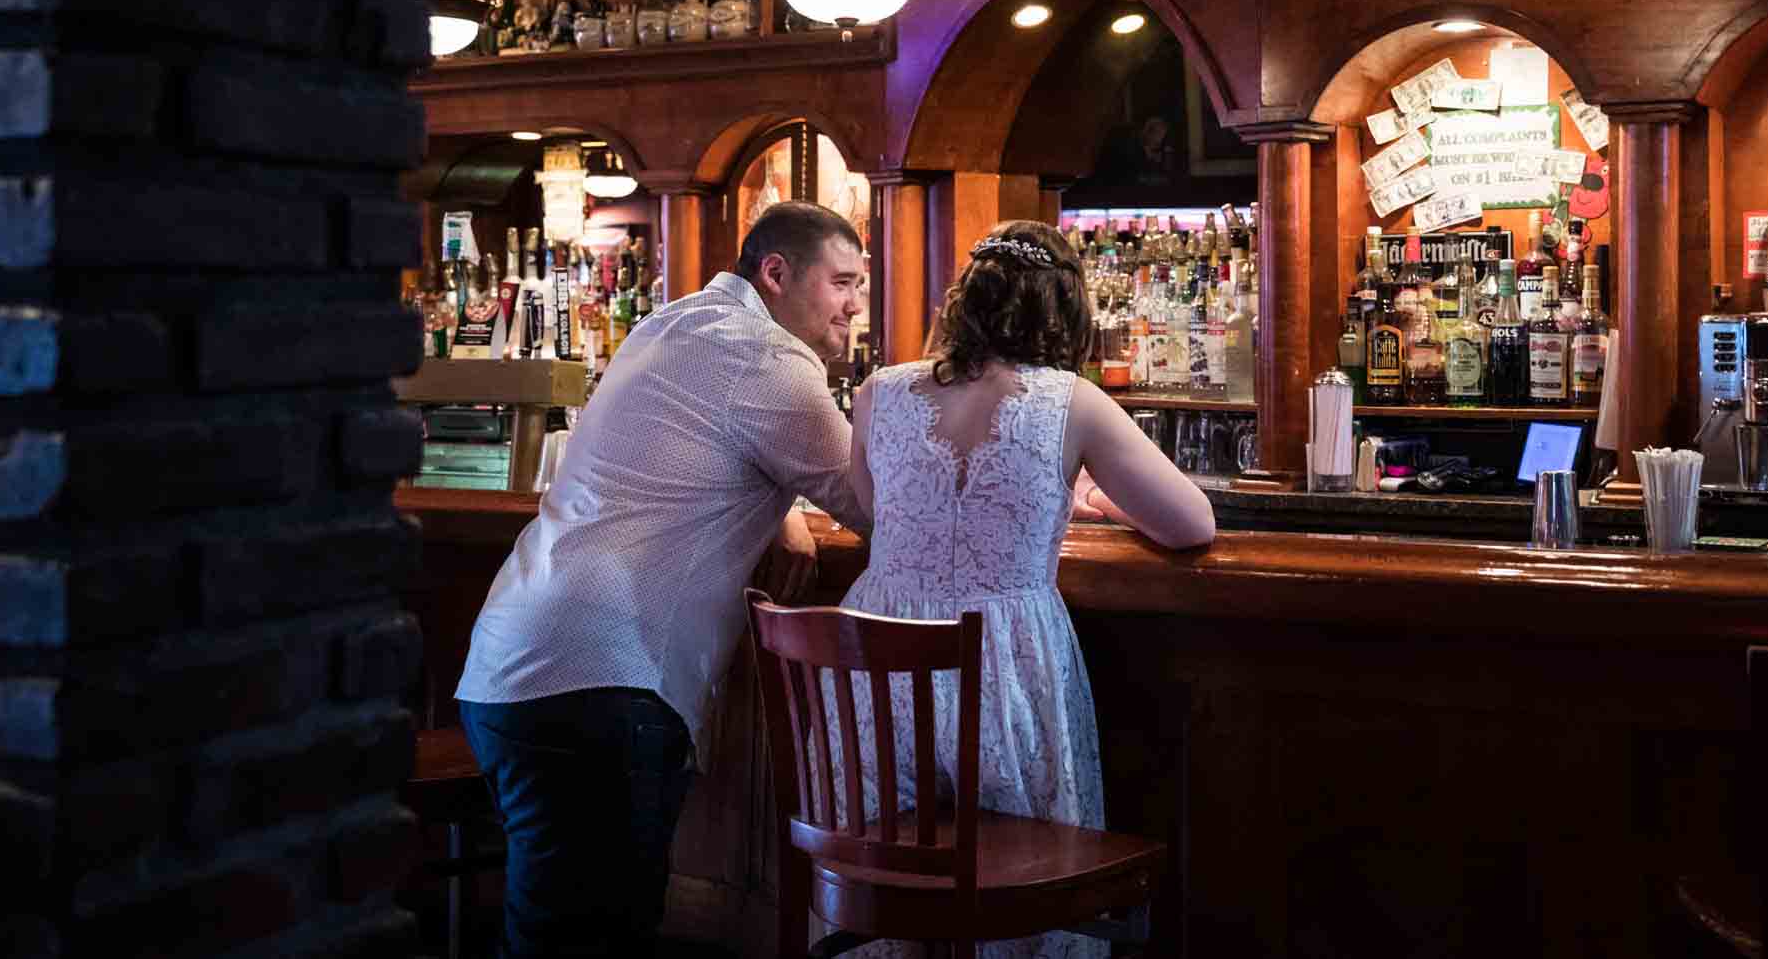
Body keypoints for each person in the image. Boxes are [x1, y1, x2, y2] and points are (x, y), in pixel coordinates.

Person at [455, 201, 868, 958]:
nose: (854, 305)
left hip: (510, 668)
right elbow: (878, 502)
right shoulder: (769, 361)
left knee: (554, 934)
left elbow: (674, 449)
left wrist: (777, 504)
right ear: (776, 274)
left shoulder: (675, 323)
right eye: (841, 282)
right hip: (599, 684)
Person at [832, 219, 1215, 958]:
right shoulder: (1070, 400)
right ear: (1066, 311)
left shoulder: (879, 391)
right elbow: (1190, 521)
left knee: (905, 885)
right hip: (1000, 678)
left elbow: (880, 512)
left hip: (875, 692)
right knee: (1017, 904)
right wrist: (1092, 500)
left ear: (962, 302)